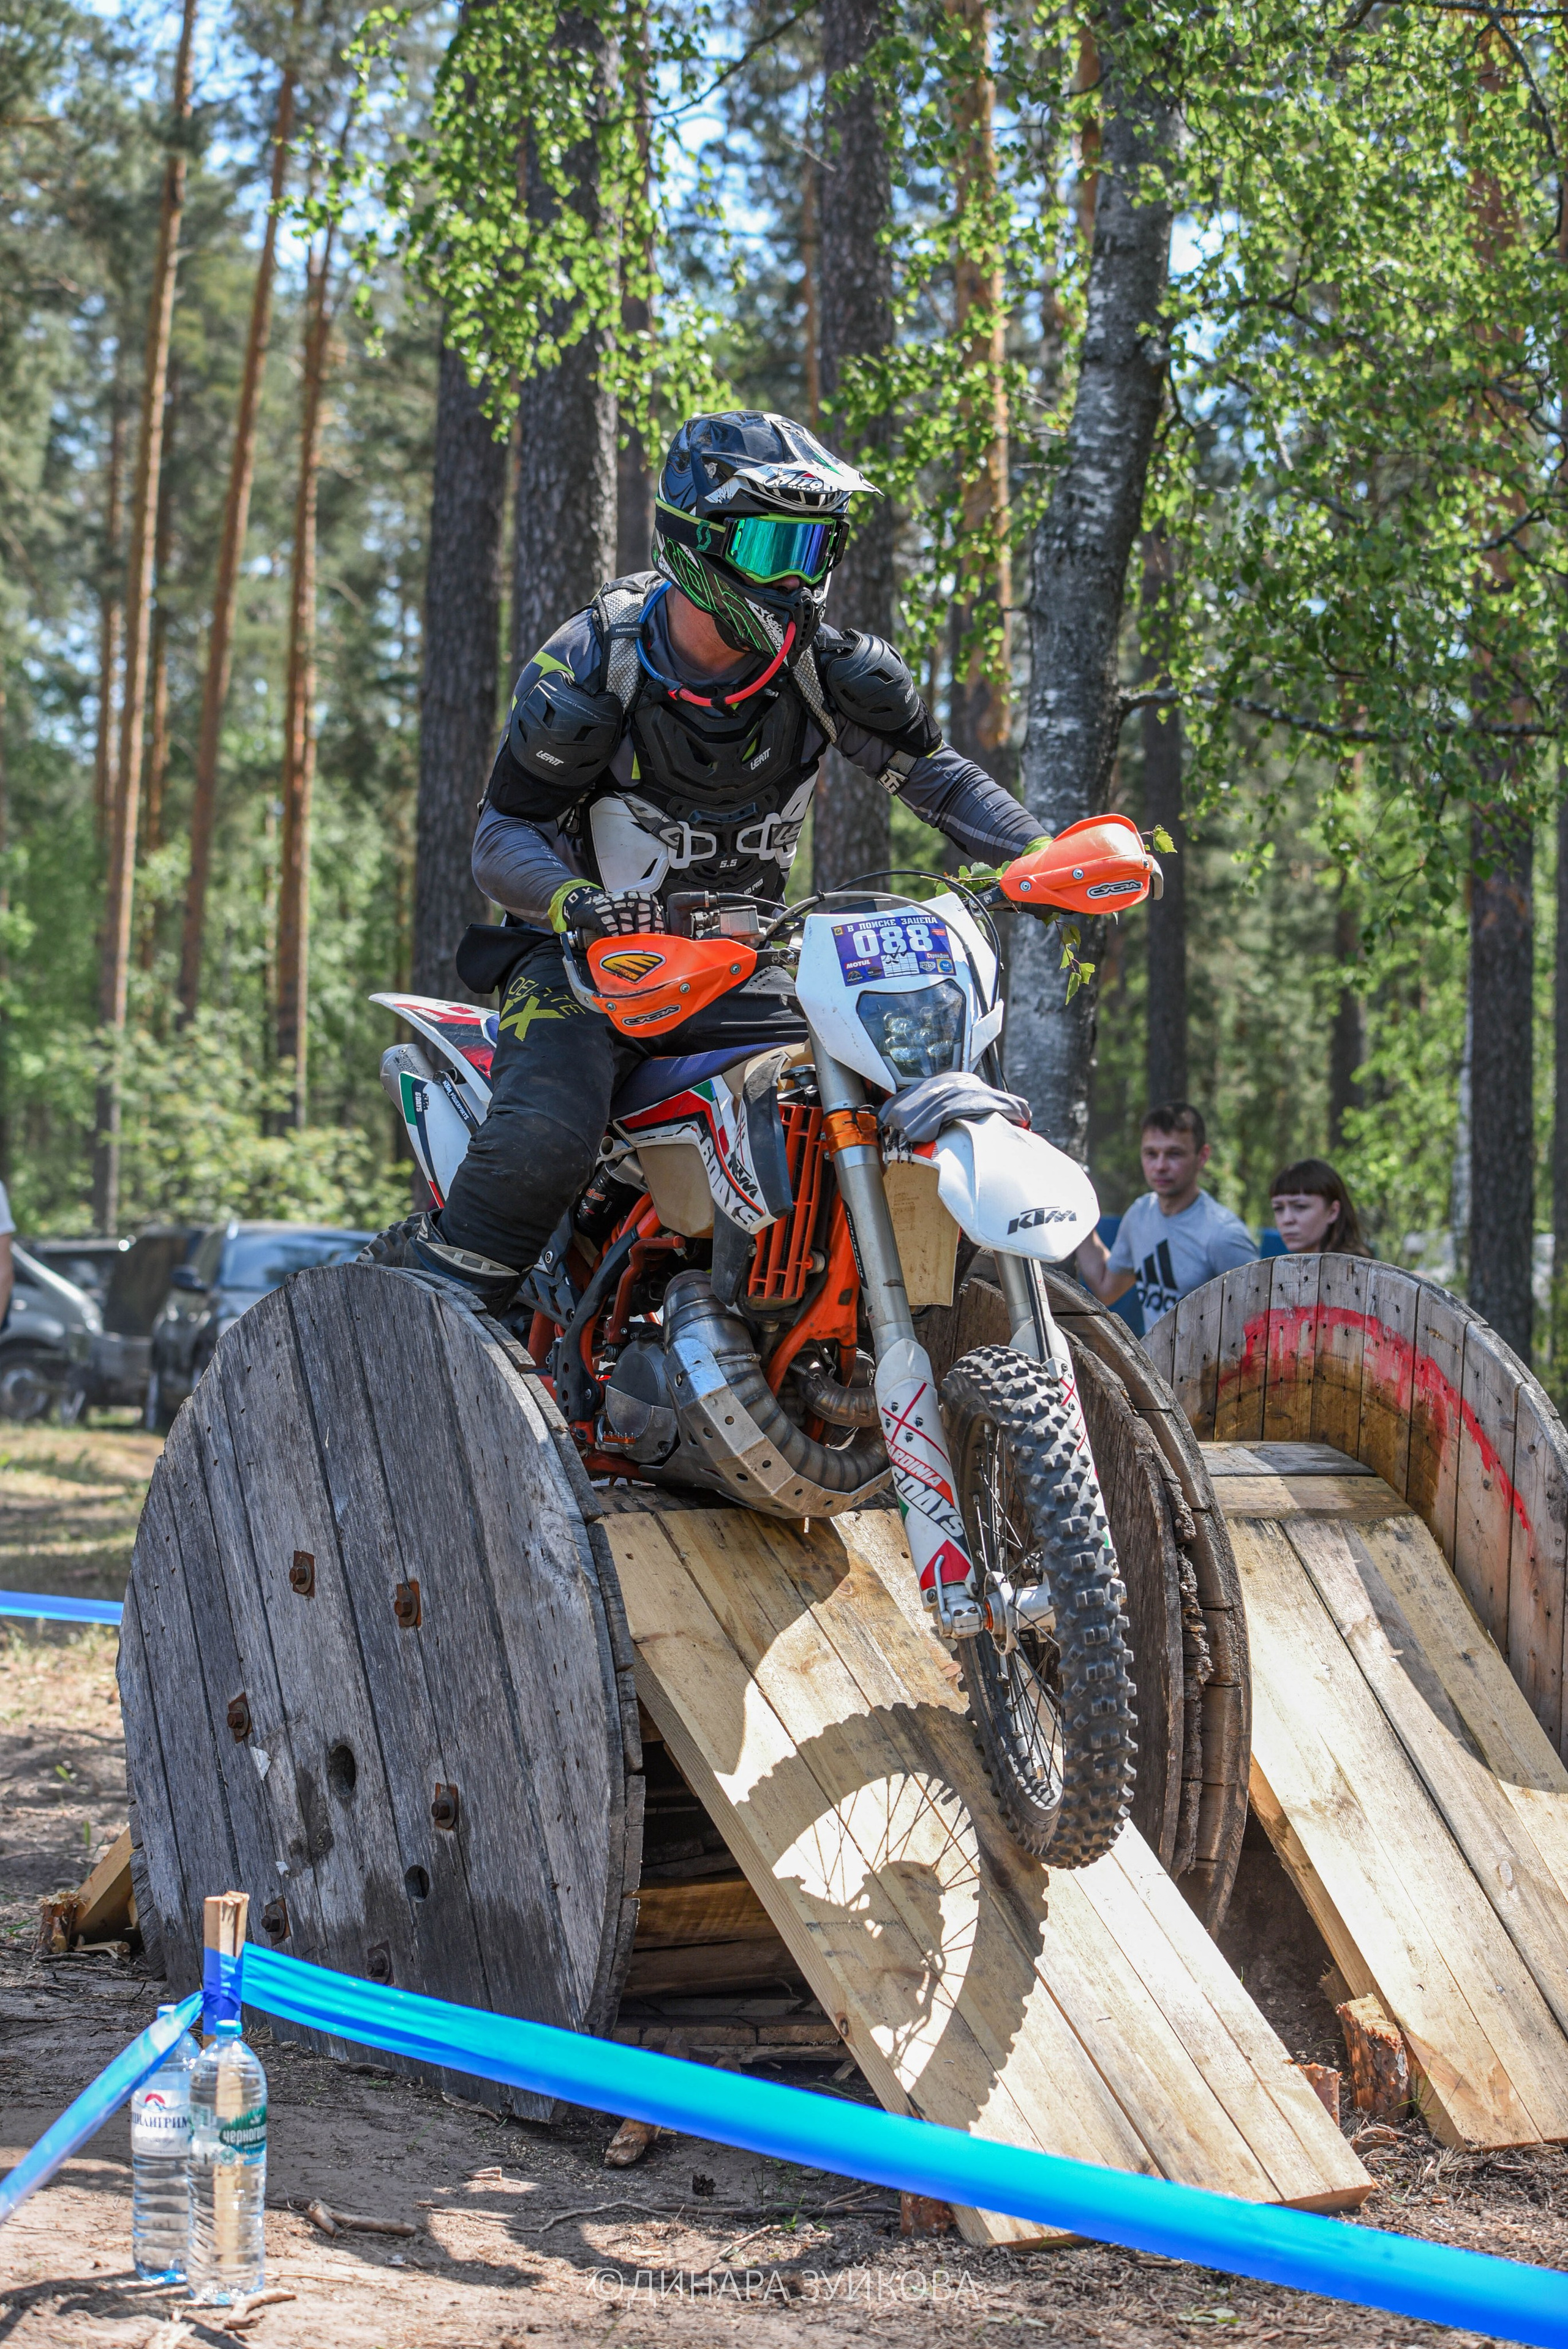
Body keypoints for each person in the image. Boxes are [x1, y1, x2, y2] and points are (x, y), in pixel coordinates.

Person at [367, 410, 1049, 1309]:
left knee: (893, 1084)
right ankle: (441, 1305)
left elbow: (940, 780)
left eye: (815, 547)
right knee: (543, 1136)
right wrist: (575, 902)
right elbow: (501, 836)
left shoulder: (827, 671)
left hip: (747, 961)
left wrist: (1043, 854)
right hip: (590, 964)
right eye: (775, 545)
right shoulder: (592, 668)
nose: (800, 578)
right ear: (698, 540)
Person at [1076, 1102, 1255, 1325]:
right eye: (1151, 1153)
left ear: (1202, 1156)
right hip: (1151, 1360)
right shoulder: (1140, 1215)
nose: (1160, 1166)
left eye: (1174, 1154)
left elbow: (1257, 1322)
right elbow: (1106, 1288)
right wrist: (1075, 1210)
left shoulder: (1224, 1235)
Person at [1269, 1158, 1372, 1257]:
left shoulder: (1356, 1270)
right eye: (1278, 1208)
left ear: (1333, 1212)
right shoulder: (1286, 1269)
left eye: (1300, 1207)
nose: (1287, 1220)